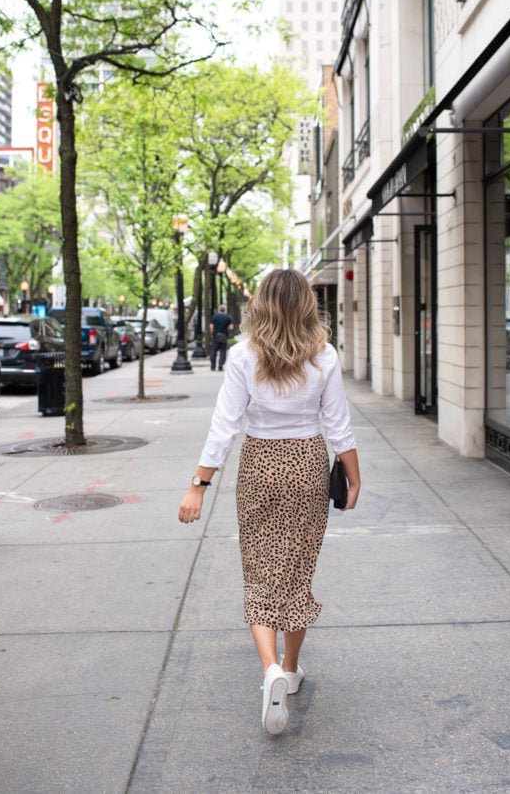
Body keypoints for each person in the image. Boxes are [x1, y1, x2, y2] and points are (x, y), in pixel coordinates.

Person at [178, 269, 360, 736]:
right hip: (305, 465)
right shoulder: (324, 355)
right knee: (296, 571)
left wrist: (198, 485)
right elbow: (337, 422)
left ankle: (269, 670)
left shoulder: (242, 355)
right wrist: (353, 477)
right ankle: (291, 668)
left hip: (258, 464)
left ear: (260, 304)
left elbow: (225, 424)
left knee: (260, 571)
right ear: (305, 304)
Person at [209, 304, 233, 371]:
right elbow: (231, 327)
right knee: (223, 352)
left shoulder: (214, 317)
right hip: (223, 336)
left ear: (219, 310)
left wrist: (211, 334)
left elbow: (211, 327)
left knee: (213, 351)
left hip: (216, 336)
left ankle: (213, 366)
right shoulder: (227, 317)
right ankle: (220, 366)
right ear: (224, 310)